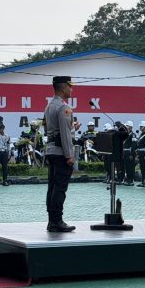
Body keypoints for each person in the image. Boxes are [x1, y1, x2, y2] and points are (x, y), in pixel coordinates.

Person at [44, 76, 80, 232]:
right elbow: (65, 134)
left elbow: (52, 130)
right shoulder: (63, 107)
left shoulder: (49, 106)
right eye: (69, 87)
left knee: (52, 186)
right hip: (61, 152)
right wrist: (70, 155)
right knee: (60, 188)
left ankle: (52, 220)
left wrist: (72, 128)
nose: (71, 89)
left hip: (51, 149)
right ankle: (57, 221)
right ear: (63, 87)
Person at [136, 121, 145, 186]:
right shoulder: (141, 134)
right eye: (140, 126)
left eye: (141, 126)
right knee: (142, 168)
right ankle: (142, 181)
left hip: (144, 153)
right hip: (140, 153)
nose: (140, 127)